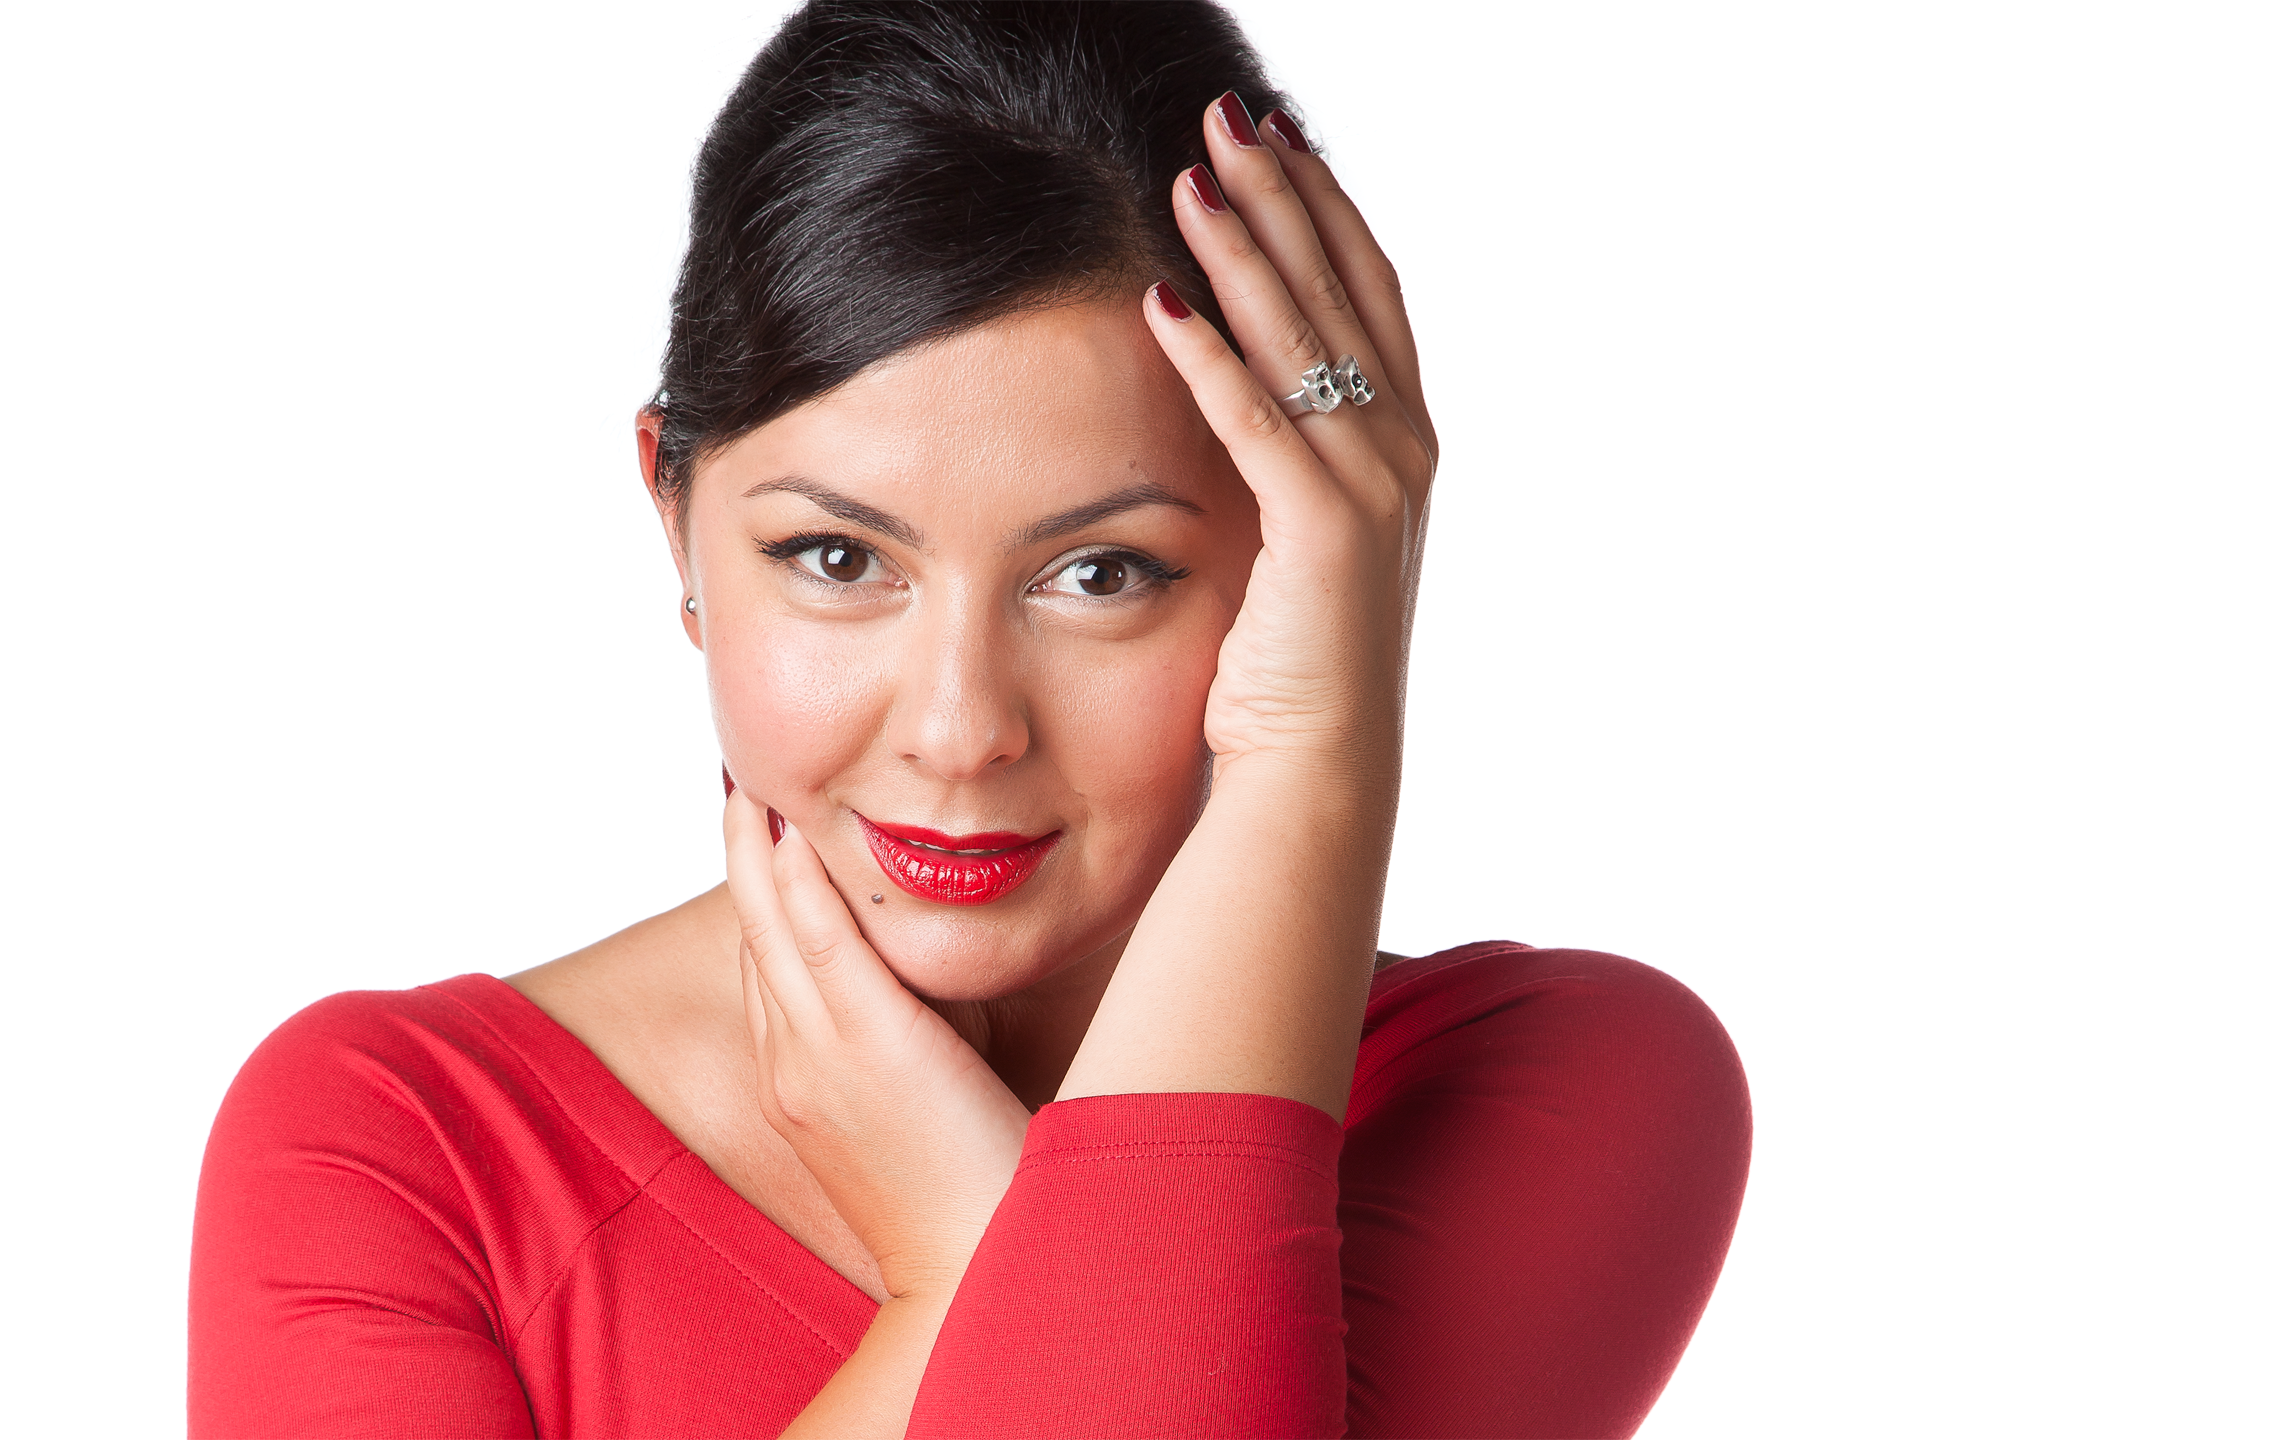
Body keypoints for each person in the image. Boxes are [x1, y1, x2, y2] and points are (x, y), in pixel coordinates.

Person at [188, 1, 1752, 1435]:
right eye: (835, 558)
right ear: (675, 522)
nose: (959, 729)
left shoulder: (1555, 1090)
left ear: (1294, 556)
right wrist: (967, 1273)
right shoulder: (397, 1153)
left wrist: (1313, 752)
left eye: (1103, 573)